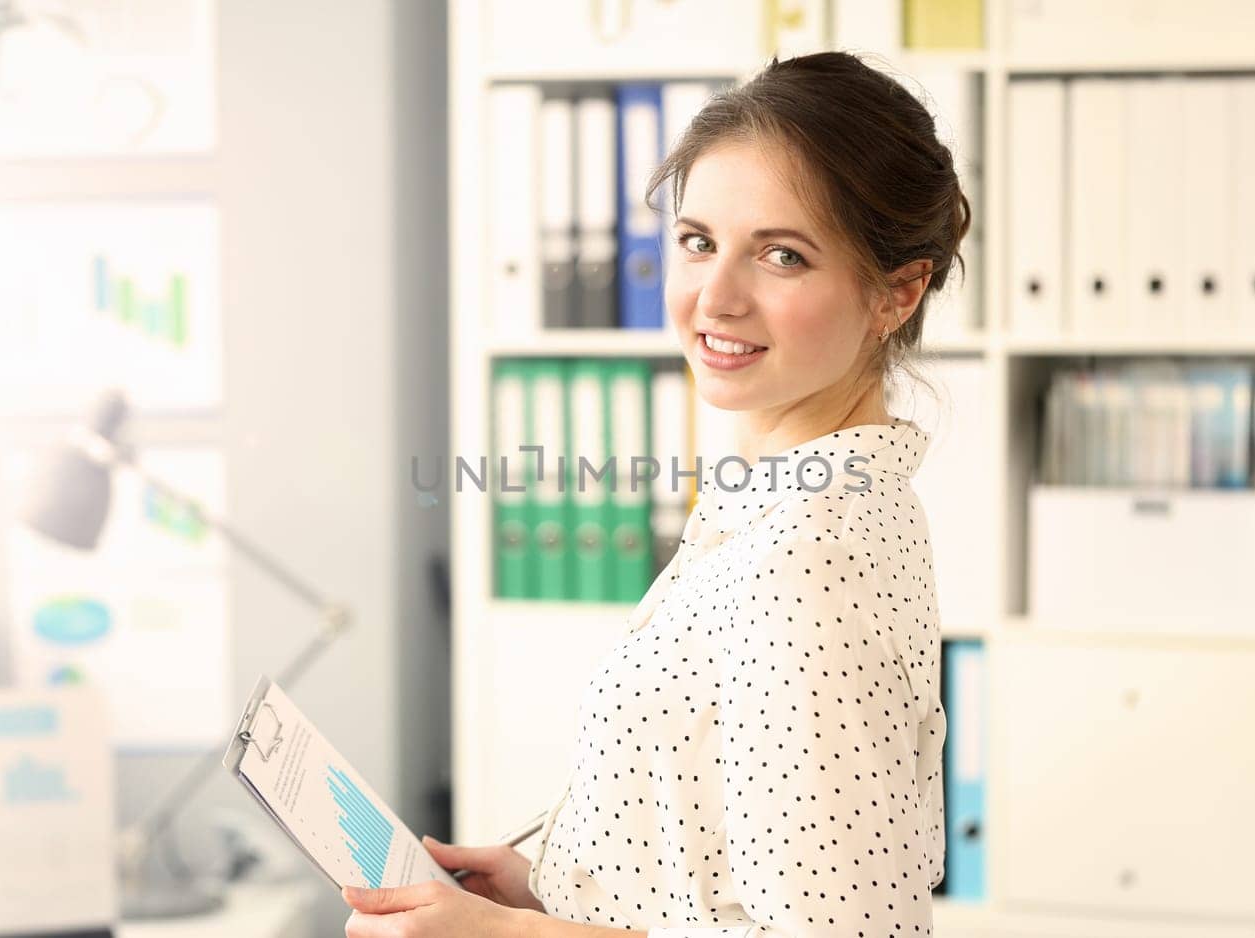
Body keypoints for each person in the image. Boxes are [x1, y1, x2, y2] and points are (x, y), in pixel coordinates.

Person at [342, 49, 969, 937]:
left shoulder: (808, 562)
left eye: (782, 256)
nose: (715, 297)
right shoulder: (777, 505)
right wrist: (553, 886)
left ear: (896, 294)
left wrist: (504, 936)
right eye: (698, 241)